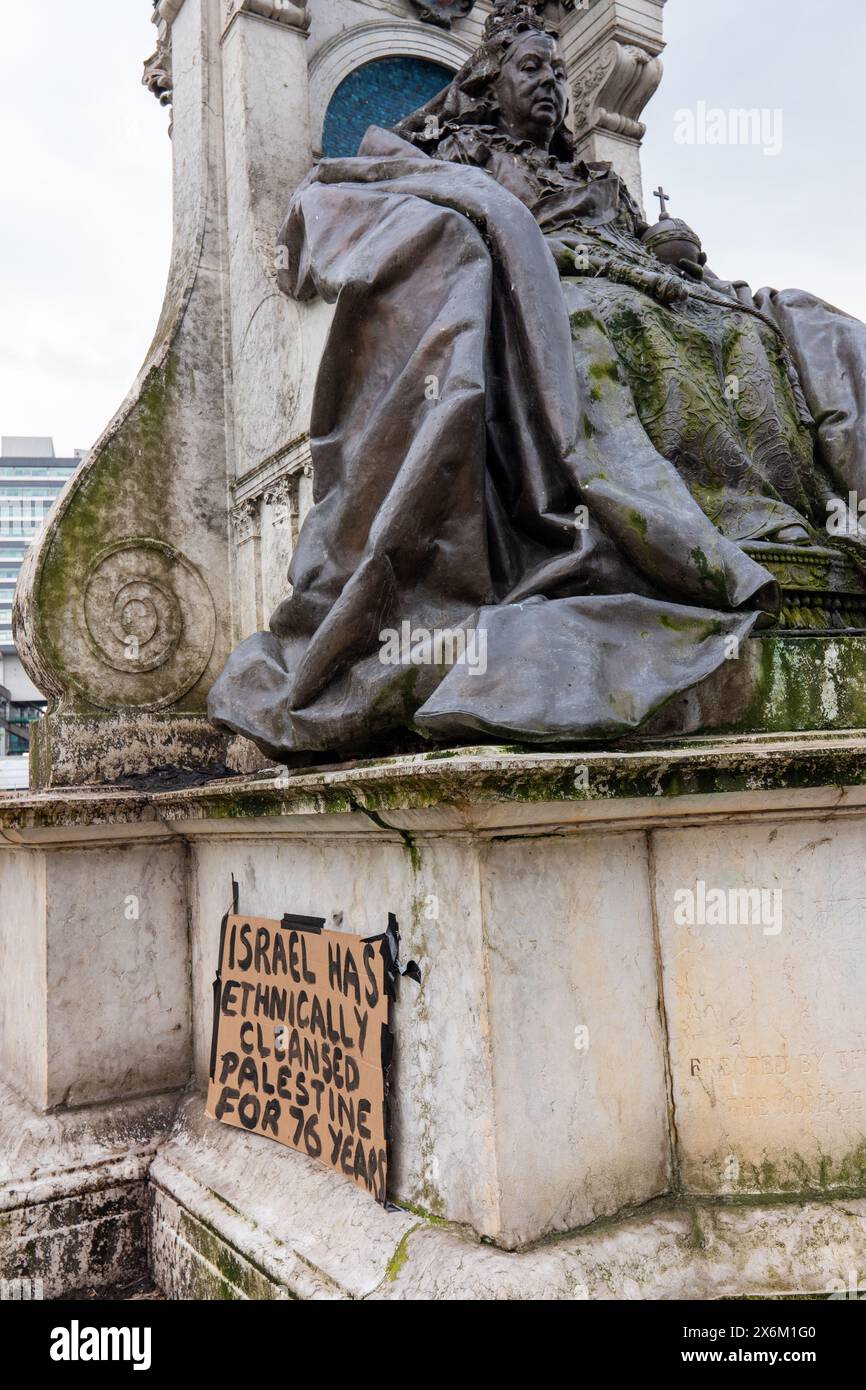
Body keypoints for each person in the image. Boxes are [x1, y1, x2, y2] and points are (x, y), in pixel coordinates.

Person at [208, 1, 866, 760]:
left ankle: (750, 520)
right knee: (606, 332)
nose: (552, 84)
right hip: (551, 289)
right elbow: (377, 192)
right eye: (533, 69)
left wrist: (670, 247)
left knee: (746, 335)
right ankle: (656, 536)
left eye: (559, 72)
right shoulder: (459, 152)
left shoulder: (595, 177)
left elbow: (648, 244)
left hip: (641, 281)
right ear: (490, 83)